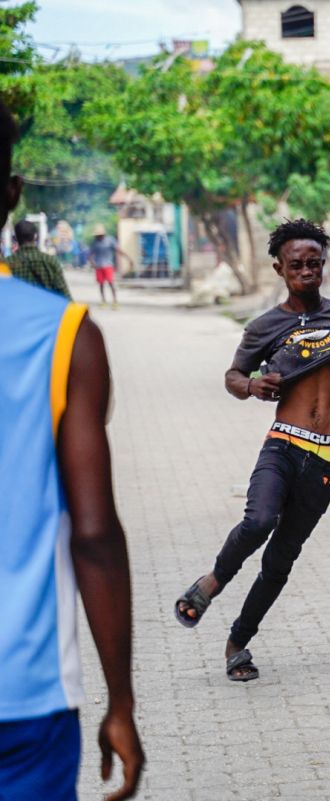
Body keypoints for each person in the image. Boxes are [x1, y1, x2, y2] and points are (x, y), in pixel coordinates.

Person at [174, 219, 330, 681]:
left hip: (328, 456)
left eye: (315, 263)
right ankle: (210, 584)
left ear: (324, 266)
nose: (307, 271)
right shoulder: (266, 326)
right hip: (284, 445)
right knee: (258, 522)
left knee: (280, 560)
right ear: (279, 268)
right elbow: (232, 377)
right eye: (297, 265)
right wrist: (251, 386)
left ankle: (238, 643)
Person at [0, 100, 144, 800]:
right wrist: (122, 699)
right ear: (12, 192)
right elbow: (93, 535)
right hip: (23, 693)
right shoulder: (65, 337)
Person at [11, 219, 71, 298]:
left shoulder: (7, 263)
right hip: (47, 309)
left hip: (18, 309)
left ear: (15, 238)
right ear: (36, 236)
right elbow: (64, 294)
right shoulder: (51, 261)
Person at [87, 224, 128, 308]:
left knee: (111, 283)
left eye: (100, 235)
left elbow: (118, 250)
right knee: (101, 284)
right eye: (97, 235)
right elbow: (90, 255)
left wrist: (127, 258)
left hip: (108, 265)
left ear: (103, 234)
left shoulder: (110, 240)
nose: (98, 237)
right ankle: (103, 301)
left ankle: (115, 301)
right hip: (99, 266)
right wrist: (93, 264)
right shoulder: (94, 243)